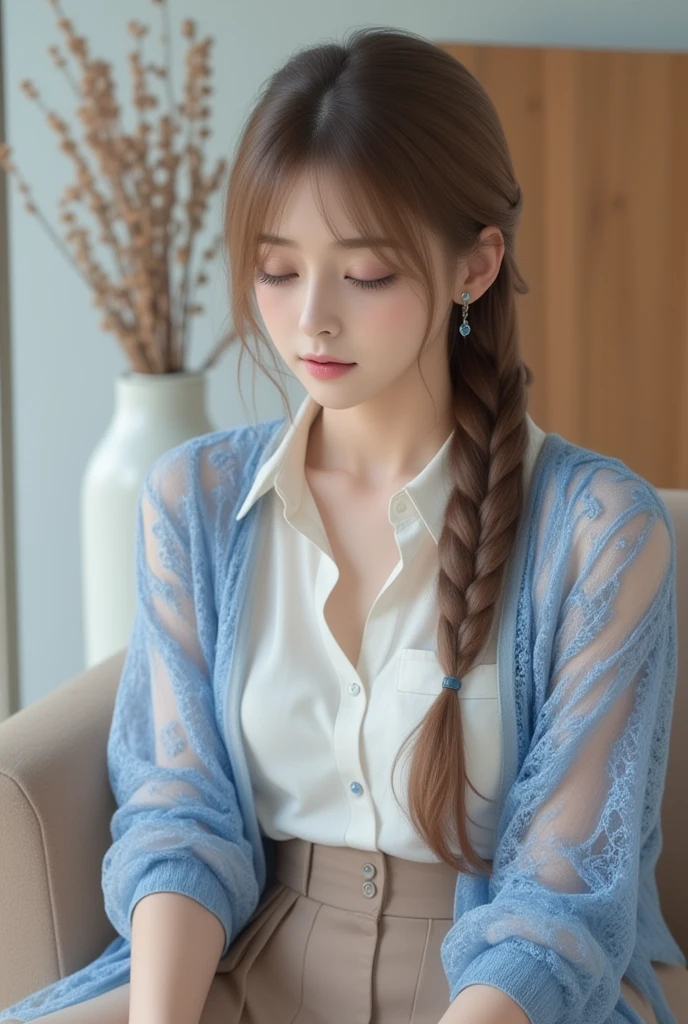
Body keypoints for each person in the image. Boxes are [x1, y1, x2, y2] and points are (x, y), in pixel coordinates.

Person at [1, 24, 687, 1024]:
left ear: (473, 266)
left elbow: (560, 897)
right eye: (277, 271)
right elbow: (178, 819)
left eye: (364, 276)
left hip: (500, 992)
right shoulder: (193, 502)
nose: (311, 320)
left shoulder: (599, 533)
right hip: (248, 956)